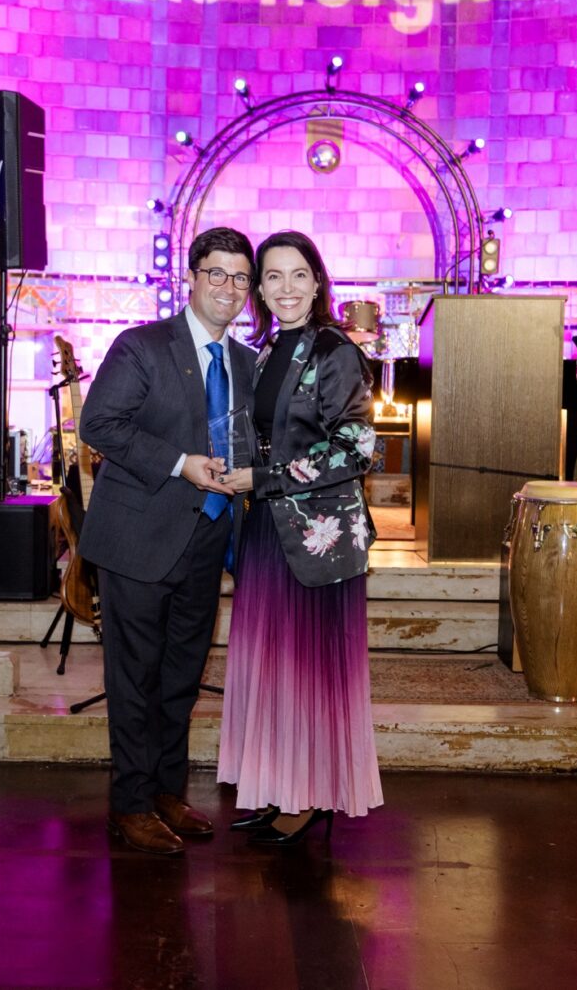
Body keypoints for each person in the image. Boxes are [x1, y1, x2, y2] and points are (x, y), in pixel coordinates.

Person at [78, 226, 256, 855]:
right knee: (135, 678)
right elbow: (98, 422)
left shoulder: (244, 361)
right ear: (191, 277)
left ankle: (165, 794)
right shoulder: (143, 346)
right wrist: (181, 462)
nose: (229, 288)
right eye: (217, 274)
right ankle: (128, 804)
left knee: (180, 677)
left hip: (208, 536)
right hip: (137, 539)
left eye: (240, 278)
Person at [217, 230, 384, 843]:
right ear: (259, 289)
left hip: (319, 538)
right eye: (273, 277)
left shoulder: (335, 350)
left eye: (297, 275)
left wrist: (264, 477)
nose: (285, 288)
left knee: (311, 672)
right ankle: (277, 786)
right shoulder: (263, 353)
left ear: (318, 282)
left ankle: (311, 796)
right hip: (266, 530)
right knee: (272, 667)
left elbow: (359, 447)